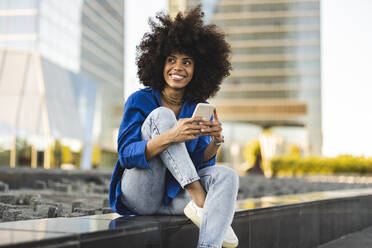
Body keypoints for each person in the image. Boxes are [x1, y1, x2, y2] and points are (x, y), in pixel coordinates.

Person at [109, 6, 239, 248]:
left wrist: (215, 142)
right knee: (162, 116)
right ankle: (202, 202)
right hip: (142, 195)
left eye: (187, 62)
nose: (178, 67)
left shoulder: (198, 107)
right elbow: (126, 155)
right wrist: (170, 136)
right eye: (171, 60)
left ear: (197, 69)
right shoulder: (140, 100)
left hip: (177, 199)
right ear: (159, 63)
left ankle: (208, 245)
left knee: (228, 176)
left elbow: (199, 162)